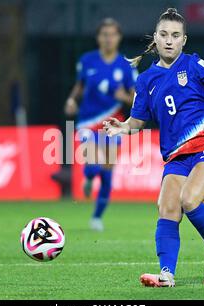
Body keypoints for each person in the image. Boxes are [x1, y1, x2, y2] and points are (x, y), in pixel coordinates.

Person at [103, 8, 204, 287]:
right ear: (155, 39)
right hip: (177, 158)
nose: (169, 40)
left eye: (175, 35)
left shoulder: (195, 65)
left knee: (189, 199)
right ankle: (166, 274)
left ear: (184, 40)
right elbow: (137, 122)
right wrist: (121, 127)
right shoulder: (145, 81)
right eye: (164, 35)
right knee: (167, 207)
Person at [64, 18, 137, 232]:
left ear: (118, 37)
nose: (108, 38)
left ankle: (96, 217)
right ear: (98, 37)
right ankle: (88, 177)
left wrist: (124, 96)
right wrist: (71, 100)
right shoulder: (87, 60)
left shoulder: (126, 64)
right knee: (93, 162)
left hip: (113, 124)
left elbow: (137, 99)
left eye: (112, 34)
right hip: (87, 122)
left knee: (107, 171)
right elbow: (79, 86)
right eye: (104, 34)